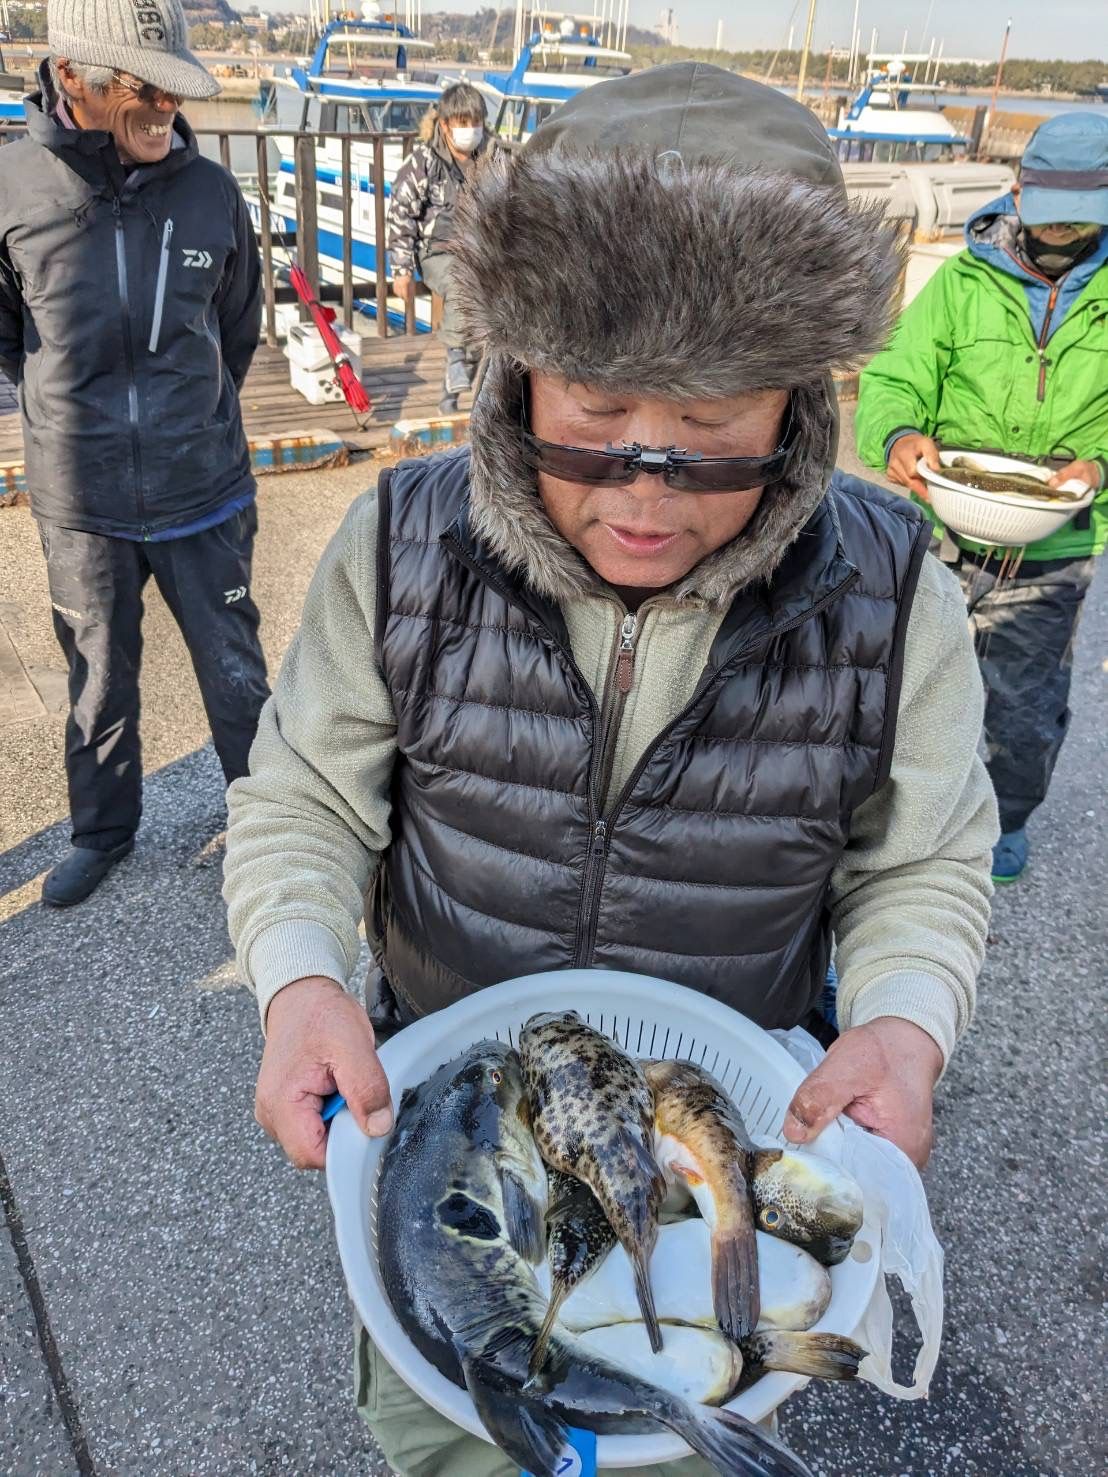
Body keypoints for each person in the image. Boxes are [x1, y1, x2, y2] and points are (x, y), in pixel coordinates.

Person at [224, 64, 998, 1476]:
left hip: (715, 1122)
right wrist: (299, 978)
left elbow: (924, 856)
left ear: (798, 402)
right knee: (460, 1406)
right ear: (517, 369)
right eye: (594, 405)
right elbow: (306, 798)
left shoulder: (894, 591)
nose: (645, 489)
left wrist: (904, 1022)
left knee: (676, 1400)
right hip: (455, 1110)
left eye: (712, 426)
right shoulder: (400, 542)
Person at [0, 0, 268, 907]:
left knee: (236, 675)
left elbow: (237, 327)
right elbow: (11, 338)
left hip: (205, 487)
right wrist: (75, 411)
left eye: (173, 88)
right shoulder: (12, 185)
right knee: (97, 678)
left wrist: (186, 416)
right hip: (82, 499)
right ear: (74, 76)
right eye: (142, 87)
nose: (165, 106)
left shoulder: (211, 191)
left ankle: (269, 828)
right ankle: (102, 832)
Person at [856, 113, 1108, 885]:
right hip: (944, 524)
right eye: (1050, 208)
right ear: (1019, 191)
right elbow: (894, 375)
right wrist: (898, 434)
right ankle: (887, 815)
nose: (1060, 228)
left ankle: (1003, 822)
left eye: (1080, 213)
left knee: (1022, 703)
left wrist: (1099, 467)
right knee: (902, 676)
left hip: (1056, 540)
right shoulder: (963, 283)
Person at [386, 81, 495, 414]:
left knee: (484, 323)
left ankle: (450, 398)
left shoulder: (493, 157)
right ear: (445, 125)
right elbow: (401, 214)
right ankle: (455, 358)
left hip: (481, 253)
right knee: (462, 284)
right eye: (463, 123)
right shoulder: (423, 161)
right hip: (438, 252)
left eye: (476, 122)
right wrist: (402, 269)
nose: (471, 130)